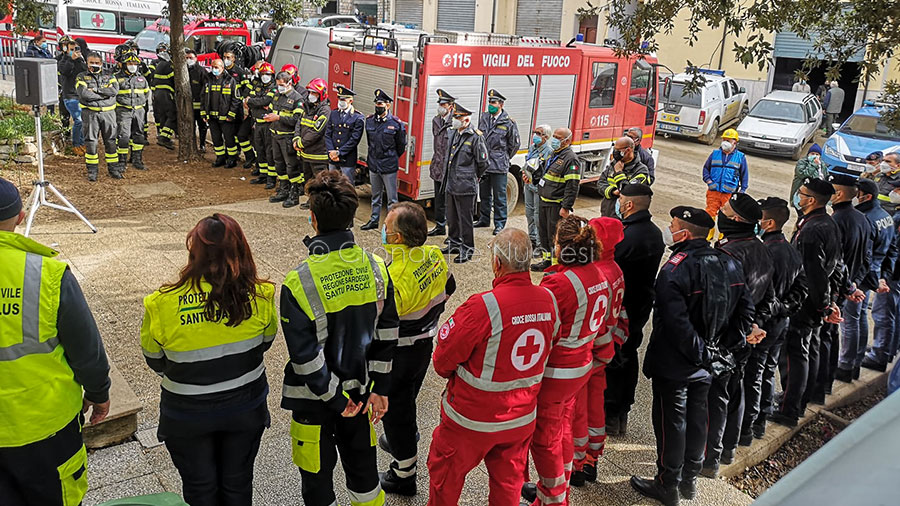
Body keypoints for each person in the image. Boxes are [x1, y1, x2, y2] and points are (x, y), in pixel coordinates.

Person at [280, 170, 399, 506]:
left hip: (315, 403)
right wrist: (380, 388)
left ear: (312, 219)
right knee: (364, 476)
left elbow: (305, 358)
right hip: (361, 396)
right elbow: (388, 334)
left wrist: (334, 399)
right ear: (351, 217)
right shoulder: (377, 267)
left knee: (317, 483)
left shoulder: (299, 281)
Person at [140, 214, 276, 506]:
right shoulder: (262, 296)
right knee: (238, 484)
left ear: (194, 252)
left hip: (187, 415)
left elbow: (155, 360)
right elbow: (265, 344)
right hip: (245, 408)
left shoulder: (160, 303)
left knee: (199, 489)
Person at [631, 206, 755, 506]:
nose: (669, 228)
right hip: (709, 363)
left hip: (677, 364)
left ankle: (667, 484)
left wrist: (703, 354)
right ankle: (690, 481)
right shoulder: (729, 262)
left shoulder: (676, 268)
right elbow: (745, 311)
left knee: (672, 423)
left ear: (684, 233)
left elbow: (677, 325)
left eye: (672, 224)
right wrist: (720, 351)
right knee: (698, 417)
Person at [428, 228, 560, 506]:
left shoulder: (482, 307)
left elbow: (442, 361)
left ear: (497, 264)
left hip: (469, 421)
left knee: (445, 481)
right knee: (508, 488)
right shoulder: (549, 301)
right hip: (519, 421)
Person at [0, 177, 111, 506]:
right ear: (22, 218)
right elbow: (86, 350)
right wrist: (98, 393)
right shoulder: (46, 275)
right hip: (45, 429)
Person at [520, 216, 608, 504]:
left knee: (545, 439)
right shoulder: (598, 274)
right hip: (582, 364)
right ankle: (561, 485)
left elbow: (545, 328)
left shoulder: (559, 283)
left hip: (558, 371)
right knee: (563, 429)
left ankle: (553, 497)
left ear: (562, 247)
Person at [378, 202, 455, 495]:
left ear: (397, 238)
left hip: (401, 354)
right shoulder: (434, 255)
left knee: (397, 409)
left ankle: (403, 471)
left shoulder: (394, 277)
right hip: (424, 347)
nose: (383, 231)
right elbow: (450, 287)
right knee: (407, 398)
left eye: (387, 227)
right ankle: (402, 437)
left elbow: (383, 322)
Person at [703, 194, 774, 478]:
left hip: (726, 336)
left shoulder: (729, 253)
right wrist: (755, 326)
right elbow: (769, 296)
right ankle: (728, 447)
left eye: (724, 210)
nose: (719, 212)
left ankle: (709, 456)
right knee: (736, 389)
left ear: (734, 220)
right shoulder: (761, 248)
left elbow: (719, 302)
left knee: (716, 396)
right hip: (747, 335)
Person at [770, 178, 844, 428]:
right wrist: (829, 302)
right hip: (817, 301)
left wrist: (824, 305)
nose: (797, 197)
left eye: (800, 194)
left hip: (806, 303)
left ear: (811, 200)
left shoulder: (812, 230)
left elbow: (815, 273)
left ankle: (789, 408)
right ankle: (798, 399)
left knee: (795, 354)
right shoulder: (826, 222)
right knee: (808, 350)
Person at [739, 198, 807, 443]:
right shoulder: (791, 250)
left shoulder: (765, 251)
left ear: (767, 222)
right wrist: (785, 308)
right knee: (767, 370)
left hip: (763, 323)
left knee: (754, 373)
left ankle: (748, 425)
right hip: (780, 323)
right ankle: (759, 420)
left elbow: (762, 291)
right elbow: (801, 289)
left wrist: (764, 315)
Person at [571, 217, 627, 486]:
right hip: (605, 351)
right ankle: (593, 458)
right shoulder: (615, 268)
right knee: (596, 406)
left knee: (579, 409)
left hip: (589, 351)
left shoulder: (596, 272)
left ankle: (577, 463)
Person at [606, 183, 665, 435]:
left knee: (614, 360)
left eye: (621, 201)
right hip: (640, 308)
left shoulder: (627, 236)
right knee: (629, 357)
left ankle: (610, 415)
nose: (619, 204)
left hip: (622, 310)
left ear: (629, 204)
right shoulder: (654, 233)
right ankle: (621, 413)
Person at [830, 173, 873, 386]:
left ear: (838, 194)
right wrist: (856, 281)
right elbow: (868, 255)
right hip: (852, 282)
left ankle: (843, 367)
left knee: (835, 331)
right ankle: (850, 365)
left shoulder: (837, 220)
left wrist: (845, 286)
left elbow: (833, 261)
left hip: (840, 288)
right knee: (854, 322)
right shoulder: (861, 218)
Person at [855, 178, 898, 373]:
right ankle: (884, 349)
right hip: (886, 273)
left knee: (879, 314)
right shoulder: (888, 215)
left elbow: (869, 253)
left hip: (886, 276)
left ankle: (878, 354)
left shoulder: (871, 217)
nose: (894, 192)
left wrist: (879, 279)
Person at [440, 104, 488, 264]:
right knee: (452, 217)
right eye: (454, 117)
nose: (455, 120)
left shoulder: (475, 137)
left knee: (465, 219)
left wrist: (475, 177)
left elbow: (483, 162)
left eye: (458, 117)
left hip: (466, 186)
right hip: (452, 183)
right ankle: (453, 242)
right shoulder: (454, 133)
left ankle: (467, 248)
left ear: (466, 119)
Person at [531, 127, 581, 271]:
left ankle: (555, 266)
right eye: (554, 136)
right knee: (544, 233)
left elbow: (572, 186)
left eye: (558, 138)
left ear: (567, 141)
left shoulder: (571, 159)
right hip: (544, 201)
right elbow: (544, 175)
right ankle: (547, 261)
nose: (554, 140)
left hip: (556, 205)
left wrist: (566, 207)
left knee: (555, 236)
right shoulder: (554, 154)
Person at [475, 89, 520, 235]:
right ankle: (484, 219)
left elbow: (514, 144)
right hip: (484, 163)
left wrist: (504, 157)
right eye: (489, 102)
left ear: (501, 104)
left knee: (499, 196)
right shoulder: (485, 117)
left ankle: (500, 224)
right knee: (484, 194)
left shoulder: (508, 123)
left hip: (499, 165)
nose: (490, 105)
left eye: (493, 102)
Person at [361, 89, 407, 230]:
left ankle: (391, 225)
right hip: (374, 164)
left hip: (388, 166)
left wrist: (391, 158)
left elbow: (401, 146)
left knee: (392, 200)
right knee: (375, 195)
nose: (378, 106)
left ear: (388, 105)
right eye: (377, 103)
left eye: (381, 103)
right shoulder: (369, 121)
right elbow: (370, 142)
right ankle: (374, 220)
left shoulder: (396, 123)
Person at [77, 52, 120, 181]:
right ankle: (92, 171)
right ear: (86, 63)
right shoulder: (81, 77)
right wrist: (104, 94)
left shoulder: (109, 75)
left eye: (96, 63)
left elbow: (114, 91)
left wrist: (95, 91)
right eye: (91, 62)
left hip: (109, 114)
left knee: (111, 142)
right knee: (91, 142)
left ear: (101, 63)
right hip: (90, 114)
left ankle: (114, 169)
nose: (94, 65)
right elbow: (84, 94)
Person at [264, 72, 306, 204]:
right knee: (279, 163)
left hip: (287, 137)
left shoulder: (297, 99)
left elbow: (296, 120)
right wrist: (268, 117)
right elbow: (270, 109)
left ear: (289, 83)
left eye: (281, 85)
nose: (279, 87)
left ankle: (294, 194)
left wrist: (278, 118)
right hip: (275, 135)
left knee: (291, 166)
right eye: (278, 85)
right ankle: (283, 189)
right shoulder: (277, 95)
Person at [293, 78, 332, 209]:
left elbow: (316, 132)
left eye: (314, 93)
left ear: (321, 94)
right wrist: (296, 138)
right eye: (310, 92)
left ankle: (320, 204)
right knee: (309, 180)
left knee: (320, 182)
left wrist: (301, 143)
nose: (311, 96)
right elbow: (299, 123)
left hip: (318, 155)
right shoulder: (307, 107)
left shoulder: (325, 110)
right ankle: (311, 201)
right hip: (306, 153)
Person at [201, 59, 242, 169]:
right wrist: (204, 114)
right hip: (212, 117)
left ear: (222, 68)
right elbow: (203, 97)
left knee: (229, 139)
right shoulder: (207, 79)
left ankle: (232, 159)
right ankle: (220, 158)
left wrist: (231, 114)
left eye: (216, 67)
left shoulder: (230, 80)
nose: (214, 69)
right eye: (212, 67)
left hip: (226, 117)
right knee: (216, 139)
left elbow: (236, 99)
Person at [426, 89, 456, 237]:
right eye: (440, 104)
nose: (440, 107)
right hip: (437, 166)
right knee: (438, 200)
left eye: (443, 104)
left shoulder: (455, 122)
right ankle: (439, 226)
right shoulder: (436, 120)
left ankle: (452, 233)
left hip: (449, 169)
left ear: (450, 106)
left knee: (449, 202)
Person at [597, 136, 649, 217]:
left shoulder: (641, 171)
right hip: (606, 214)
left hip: (624, 218)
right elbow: (600, 183)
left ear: (628, 150)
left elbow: (628, 192)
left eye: (618, 150)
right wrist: (612, 191)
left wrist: (618, 172)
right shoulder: (614, 164)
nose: (615, 152)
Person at [114, 53, 150, 172]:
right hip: (123, 111)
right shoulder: (116, 78)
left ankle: (137, 160)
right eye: (130, 63)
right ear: (124, 65)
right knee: (123, 136)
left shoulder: (141, 78)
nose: (133, 66)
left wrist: (140, 105)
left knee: (139, 135)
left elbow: (146, 93)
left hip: (139, 111)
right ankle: (121, 162)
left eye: (135, 64)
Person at [702, 129, 748, 218]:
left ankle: (723, 232)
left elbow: (744, 176)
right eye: (724, 140)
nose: (725, 142)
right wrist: (709, 181)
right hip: (713, 191)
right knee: (709, 214)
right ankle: (709, 232)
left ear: (735, 142)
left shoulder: (740, 157)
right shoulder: (715, 154)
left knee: (727, 216)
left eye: (728, 140)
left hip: (729, 193)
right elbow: (706, 169)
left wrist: (742, 191)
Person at [325, 85, 365, 186]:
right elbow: (328, 134)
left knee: (347, 186)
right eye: (339, 98)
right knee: (331, 185)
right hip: (332, 158)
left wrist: (339, 153)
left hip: (347, 159)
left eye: (344, 99)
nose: (341, 101)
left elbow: (354, 140)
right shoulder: (334, 113)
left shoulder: (357, 117)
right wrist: (331, 151)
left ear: (350, 100)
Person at [523, 125, 553, 251]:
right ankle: (532, 240)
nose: (535, 135)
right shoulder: (532, 148)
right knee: (529, 213)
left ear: (546, 137)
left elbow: (546, 172)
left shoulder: (549, 152)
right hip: (528, 185)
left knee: (537, 216)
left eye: (539, 133)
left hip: (539, 188)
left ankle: (541, 245)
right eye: (535, 132)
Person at [222, 50, 254, 165]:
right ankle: (232, 154)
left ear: (234, 59)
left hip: (238, 107)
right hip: (226, 106)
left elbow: (247, 88)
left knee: (238, 133)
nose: (226, 59)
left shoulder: (239, 72)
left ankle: (247, 156)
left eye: (229, 57)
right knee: (229, 133)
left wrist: (242, 100)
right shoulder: (222, 71)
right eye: (225, 57)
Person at [246, 62, 276, 185]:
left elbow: (266, 100)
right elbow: (251, 99)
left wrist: (253, 101)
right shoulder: (257, 85)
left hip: (268, 125)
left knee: (269, 152)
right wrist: (255, 102)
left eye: (267, 74)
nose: (265, 76)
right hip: (257, 123)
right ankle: (263, 174)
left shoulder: (274, 87)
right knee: (260, 150)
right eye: (263, 74)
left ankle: (271, 178)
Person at [58, 39, 87, 155]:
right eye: (71, 49)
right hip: (70, 95)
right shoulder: (63, 60)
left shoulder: (80, 61)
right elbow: (65, 71)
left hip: (80, 95)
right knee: (78, 120)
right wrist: (71, 59)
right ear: (66, 50)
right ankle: (76, 144)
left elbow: (85, 71)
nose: (74, 52)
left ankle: (81, 142)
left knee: (83, 120)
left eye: (76, 49)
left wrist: (79, 59)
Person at [151, 42, 177, 150]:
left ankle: (163, 136)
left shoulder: (161, 64)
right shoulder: (168, 65)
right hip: (166, 94)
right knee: (173, 116)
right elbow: (176, 79)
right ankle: (164, 138)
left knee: (163, 116)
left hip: (158, 94)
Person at [790, 144, 827, 210]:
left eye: (817, 154)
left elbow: (825, 176)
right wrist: (813, 165)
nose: (814, 156)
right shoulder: (802, 162)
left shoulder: (822, 165)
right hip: (802, 193)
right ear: (808, 154)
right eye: (812, 153)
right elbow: (803, 174)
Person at [186, 49, 209, 153]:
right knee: (190, 126)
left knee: (202, 127)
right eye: (186, 58)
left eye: (191, 58)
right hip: (187, 106)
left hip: (200, 106)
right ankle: (191, 145)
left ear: (196, 58)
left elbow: (205, 89)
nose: (188, 60)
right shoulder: (183, 71)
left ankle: (202, 145)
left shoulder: (201, 71)